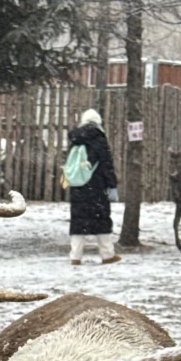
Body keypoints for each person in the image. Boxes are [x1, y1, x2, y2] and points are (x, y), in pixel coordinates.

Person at [66, 108, 121, 265]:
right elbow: (106, 165)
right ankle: (107, 255)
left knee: (78, 221)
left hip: (78, 186)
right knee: (101, 220)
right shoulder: (99, 139)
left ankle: (75, 257)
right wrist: (112, 185)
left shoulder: (75, 139)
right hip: (97, 186)